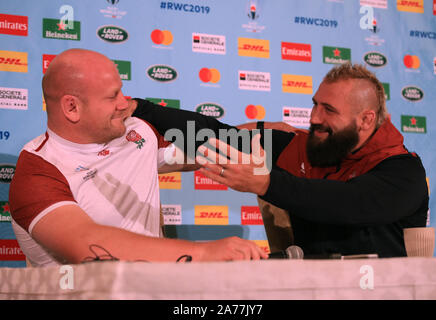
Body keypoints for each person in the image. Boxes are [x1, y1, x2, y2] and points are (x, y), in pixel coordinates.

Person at [130, 63, 429, 258]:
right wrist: (138, 108)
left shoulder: (403, 170)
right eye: (314, 105)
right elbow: (214, 135)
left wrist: (266, 182)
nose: (314, 118)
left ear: (366, 120)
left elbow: (348, 203)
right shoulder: (300, 146)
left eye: (329, 110)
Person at [8, 48, 267, 267]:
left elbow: (218, 144)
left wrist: (273, 135)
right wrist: (203, 253)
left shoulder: (135, 129)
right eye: (112, 97)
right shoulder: (37, 172)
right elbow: (87, 243)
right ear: (72, 107)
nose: (126, 103)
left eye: (122, 91)